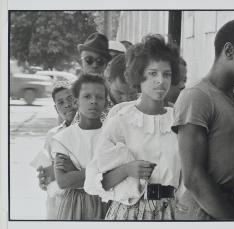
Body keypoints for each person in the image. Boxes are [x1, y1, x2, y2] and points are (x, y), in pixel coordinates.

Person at [171, 19, 234, 220]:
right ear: (229, 51)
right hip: (204, 212)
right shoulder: (197, 96)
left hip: (231, 207)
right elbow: (194, 178)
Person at [84, 35, 181, 220]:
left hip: (171, 213)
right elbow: (92, 182)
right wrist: (126, 170)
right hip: (129, 214)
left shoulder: (179, 120)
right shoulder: (121, 121)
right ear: (138, 75)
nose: (161, 80)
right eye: (152, 73)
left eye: (166, 74)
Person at [51, 74, 108, 220]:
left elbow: (120, 175)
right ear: (76, 101)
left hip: (109, 202)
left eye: (99, 97)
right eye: (87, 96)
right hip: (76, 206)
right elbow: (64, 182)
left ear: (106, 103)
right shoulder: (62, 138)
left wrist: (77, 172)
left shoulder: (113, 134)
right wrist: (104, 172)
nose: (93, 101)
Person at [34, 81, 78, 219]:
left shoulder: (90, 131)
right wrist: (44, 180)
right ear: (56, 108)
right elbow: (46, 169)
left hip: (82, 202)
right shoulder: (52, 135)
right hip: (56, 206)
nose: (67, 104)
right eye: (61, 102)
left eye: (70, 99)